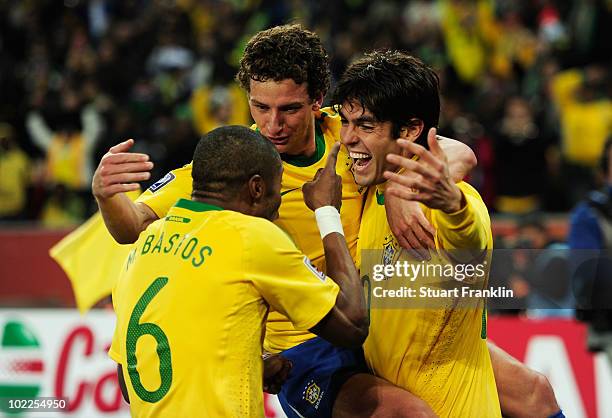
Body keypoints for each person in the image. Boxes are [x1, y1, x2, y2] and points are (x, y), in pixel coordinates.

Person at [94, 24, 559, 418]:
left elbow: (454, 151)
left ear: (318, 100)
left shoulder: (351, 131)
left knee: (534, 393)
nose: (273, 124)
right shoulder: (234, 167)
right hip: (304, 347)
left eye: (289, 109)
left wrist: (402, 187)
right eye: (260, 107)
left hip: (375, 321)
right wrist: (107, 196)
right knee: (409, 414)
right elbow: (131, 225)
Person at [335, 50, 563, 418]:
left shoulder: (446, 202)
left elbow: (469, 243)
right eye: (346, 122)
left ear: (409, 130)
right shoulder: (373, 191)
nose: (347, 137)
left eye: (364, 125)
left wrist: (453, 204)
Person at [108, 125, 368, 417]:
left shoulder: (143, 247)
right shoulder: (250, 236)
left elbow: (128, 385)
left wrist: (254, 365)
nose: (278, 209)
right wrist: (326, 211)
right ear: (257, 188)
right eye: (277, 190)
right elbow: (352, 324)